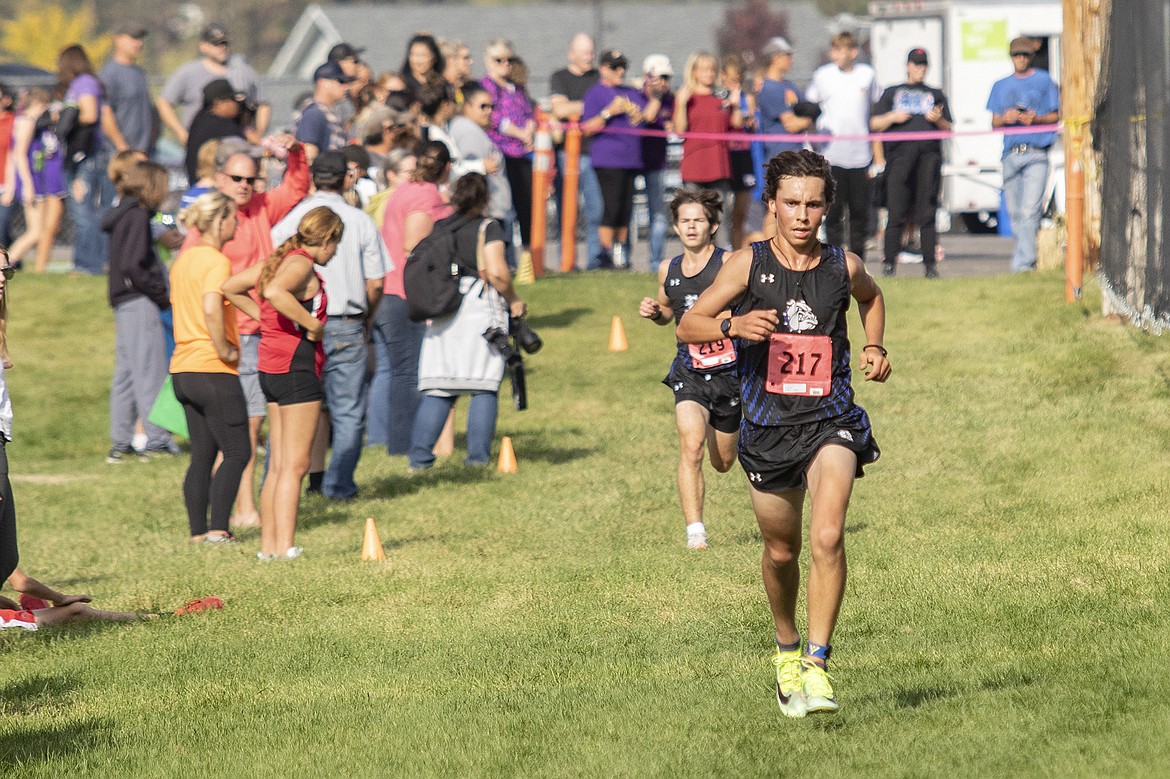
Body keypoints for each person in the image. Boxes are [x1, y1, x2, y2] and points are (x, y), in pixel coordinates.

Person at [676, 149, 890, 717]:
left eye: (813, 204)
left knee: (827, 536)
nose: (802, 215)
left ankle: (818, 666)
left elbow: (872, 298)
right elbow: (687, 323)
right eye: (791, 203)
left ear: (826, 208)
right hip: (768, 428)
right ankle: (787, 648)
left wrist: (873, 345)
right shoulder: (747, 266)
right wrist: (732, 324)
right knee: (780, 549)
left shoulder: (843, 265)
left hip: (831, 420)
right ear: (771, 205)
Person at [180, 134, 310, 529]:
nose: (245, 186)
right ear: (219, 178)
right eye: (237, 178)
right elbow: (199, 292)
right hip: (230, 337)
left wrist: (295, 152)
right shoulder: (203, 236)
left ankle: (222, 516)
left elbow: (296, 187)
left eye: (251, 180)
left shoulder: (258, 209)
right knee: (243, 426)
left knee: (244, 425)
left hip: (256, 330)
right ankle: (241, 509)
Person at [224, 206, 343, 560]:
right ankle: (285, 545)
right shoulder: (301, 263)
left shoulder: (280, 258)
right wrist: (312, 325)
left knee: (278, 464)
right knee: (295, 464)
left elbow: (231, 287)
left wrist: (266, 319)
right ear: (326, 238)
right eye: (335, 244)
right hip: (296, 366)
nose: (335, 252)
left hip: (271, 365)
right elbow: (276, 292)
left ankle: (269, 548)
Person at [271, 151, 387, 501]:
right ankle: (338, 485)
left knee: (301, 407)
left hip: (302, 322)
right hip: (347, 321)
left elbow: (271, 262)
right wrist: (367, 314)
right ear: (347, 178)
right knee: (348, 410)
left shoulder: (293, 220)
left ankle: (292, 479)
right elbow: (377, 282)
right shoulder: (360, 220)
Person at [638, 190, 738, 550]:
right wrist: (655, 313)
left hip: (731, 374)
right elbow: (669, 312)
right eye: (684, 221)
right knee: (690, 445)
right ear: (677, 227)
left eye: (698, 220)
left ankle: (722, 428)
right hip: (689, 371)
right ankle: (695, 532)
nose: (691, 226)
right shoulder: (668, 268)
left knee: (723, 461)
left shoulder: (730, 264)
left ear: (712, 225)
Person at [407, 173, 526, 470]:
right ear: (485, 197)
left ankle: (419, 460)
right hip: (478, 311)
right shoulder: (489, 228)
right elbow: (497, 272)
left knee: (439, 387)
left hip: (444, 309)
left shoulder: (441, 227)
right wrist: (513, 299)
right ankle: (476, 459)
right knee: (483, 385)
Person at [169, 192, 251, 542]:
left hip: (183, 369)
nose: (238, 223)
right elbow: (211, 306)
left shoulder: (183, 261)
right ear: (220, 221)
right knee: (238, 450)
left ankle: (198, 533)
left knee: (203, 453)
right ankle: (219, 530)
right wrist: (225, 349)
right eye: (234, 217)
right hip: (212, 367)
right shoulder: (216, 261)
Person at [375, 141, 453, 455]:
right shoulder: (425, 195)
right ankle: (403, 444)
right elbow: (413, 247)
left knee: (392, 370)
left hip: (387, 289)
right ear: (447, 168)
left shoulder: (407, 188)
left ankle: (383, 438)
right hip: (405, 294)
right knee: (408, 373)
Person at [103, 161, 175, 462]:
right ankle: (157, 440)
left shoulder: (125, 213)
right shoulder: (137, 217)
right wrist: (160, 294)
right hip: (139, 299)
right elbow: (134, 263)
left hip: (124, 301)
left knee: (128, 372)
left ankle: (121, 441)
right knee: (150, 370)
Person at [871, 48, 952, 278]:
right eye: (916, 64)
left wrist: (939, 121)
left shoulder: (935, 93)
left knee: (927, 212)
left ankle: (929, 265)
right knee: (896, 213)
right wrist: (892, 117)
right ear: (907, 66)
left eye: (924, 65)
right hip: (899, 159)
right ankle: (889, 263)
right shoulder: (892, 92)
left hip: (928, 158)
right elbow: (874, 124)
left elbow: (949, 129)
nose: (920, 69)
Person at [805, 32, 881, 262]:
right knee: (833, 213)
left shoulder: (867, 75)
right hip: (831, 156)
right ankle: (834, 262)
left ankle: (857, 262)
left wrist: (878, 156)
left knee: (859, 214)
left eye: (841, 50)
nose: (836, 55)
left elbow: (873, 114)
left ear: (853, 52)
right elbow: (810, 109)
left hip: (860, 156)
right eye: (834, 50)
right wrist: (812, 139)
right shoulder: (823, 76)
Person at [987, 36, 1060, 273]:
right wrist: (1006, 118)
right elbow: (994, 122)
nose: (1021, 59)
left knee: (1030, 210)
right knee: (1016, 213)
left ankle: (1024, 264)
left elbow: (1056, 116)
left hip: (1037, 153)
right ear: (1011, 58)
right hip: (1010, 154)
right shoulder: (1001, 85)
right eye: (1017, 55)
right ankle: (1026, 258)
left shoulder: (1044, 81)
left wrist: (1035, 119)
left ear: (1031, 57)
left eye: (1025, 55)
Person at [581, 50, 660, 269]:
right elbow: (586, 128)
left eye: (623, 66)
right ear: (603, 69)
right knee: (611, 207)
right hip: (608, 159)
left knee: (626, 208)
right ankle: (605, 253)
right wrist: (608, 112)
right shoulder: (595, 93)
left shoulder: (630, 92)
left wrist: (643, 108)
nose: (621, 71)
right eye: (615, 67)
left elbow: (645, 117)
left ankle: (620, 252)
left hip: (631, 159)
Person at [157, 23, 269, 148]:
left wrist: (258, 132)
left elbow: (263, 103)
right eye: (216, 43)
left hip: (238, 143)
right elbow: (164, 102)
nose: (222, 47)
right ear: (203, 46)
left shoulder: (242, 70)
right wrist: (180, 131)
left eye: (225, 43)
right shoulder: (189, 72)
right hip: (201, 143)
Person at [674, 51, 743, 249]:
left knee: (719, 216)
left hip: (718, 165)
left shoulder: (722, 97)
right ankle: (692, 258)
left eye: (712, 69)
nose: (709, 73)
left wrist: (736, 107)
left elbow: (736, 126)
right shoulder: (687, 97)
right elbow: (679, 130)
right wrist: (680, 104)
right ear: (694, 72)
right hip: (694, 166)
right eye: (704, 69)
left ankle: (721, 259)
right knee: (692, 216)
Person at [549, 33, 604, 270]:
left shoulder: (599, 77)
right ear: (571, 54)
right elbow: (560, 109)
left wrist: (580, 107)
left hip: (595, 153)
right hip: (567, 156)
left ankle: (595, 261)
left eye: (591, 53)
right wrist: (595, 107)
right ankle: (566, 261)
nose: (589, 57)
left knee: (596, 210)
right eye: (584, 53)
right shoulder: (559, 77)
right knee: (567, 211)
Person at [481, 39, 536, 260]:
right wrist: (519, 133)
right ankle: (505, 256)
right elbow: (494, 118)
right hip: (500, 152)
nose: (505, 64)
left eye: (509, 59)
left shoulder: (516, 87)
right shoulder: (486, 87)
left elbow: (529, 111)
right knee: (503, 206)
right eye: (499, 60)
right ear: (489, 62)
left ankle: (528, 257)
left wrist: (530, 130)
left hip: (523, 153)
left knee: (526, 205)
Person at [2, 88, 66, 273]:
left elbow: (12, 155)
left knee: (37, 230)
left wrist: (11, 184)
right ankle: (6, 263)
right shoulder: (28, 122)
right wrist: (28, 185)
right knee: (36, 232)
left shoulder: (20, 121)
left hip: (31, 180)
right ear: (39, 106)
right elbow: (20, 155)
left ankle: (12, 263)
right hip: (31, 182)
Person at [58, 44, 110, 275]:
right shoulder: (85, 82)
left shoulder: (84, 83)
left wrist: (65, 122)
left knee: (83, 211)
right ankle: (91, 262)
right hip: (86, 156)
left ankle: (89, 264)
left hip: (85, 157)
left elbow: (89, 114)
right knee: (85, 210)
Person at [639, 54, 676, 271]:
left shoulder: (670, 99)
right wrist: (655, 98)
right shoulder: (636, 96)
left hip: (656, 162)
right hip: (633, 162)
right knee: (623, 215)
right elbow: (648, 117)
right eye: (659, 77)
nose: (663, 82)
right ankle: (621, 259)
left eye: (666, 78)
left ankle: (655, 262)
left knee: (659, 214)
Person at [100, 23, 156, 157]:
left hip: (143, 151)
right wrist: (123, 148)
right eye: (134, 38)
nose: (139, 43)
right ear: (118, 40)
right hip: (118, 154)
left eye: (141, 38)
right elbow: (105, 113)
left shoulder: (139, 73)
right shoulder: (110, 74)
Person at [184, 79, 247, 184]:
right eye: (233, 100)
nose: (237, 105)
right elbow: (245, 153)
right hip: (215, 190)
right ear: (219, 103)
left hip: (198, 185)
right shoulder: (223, 126)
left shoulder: (199, 119)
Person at [294, 61, 354, 162]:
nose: (346, 87)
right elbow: (309, 154)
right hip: (322, 176)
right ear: (322, 82)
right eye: (340, 81)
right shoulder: (314, 113)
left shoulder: (326, 112)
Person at [401, 34, 447, 98]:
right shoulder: (403, 85)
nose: (418, 61)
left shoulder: (443, 85)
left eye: (422, 55)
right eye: (413, 55)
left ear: (434, 57)